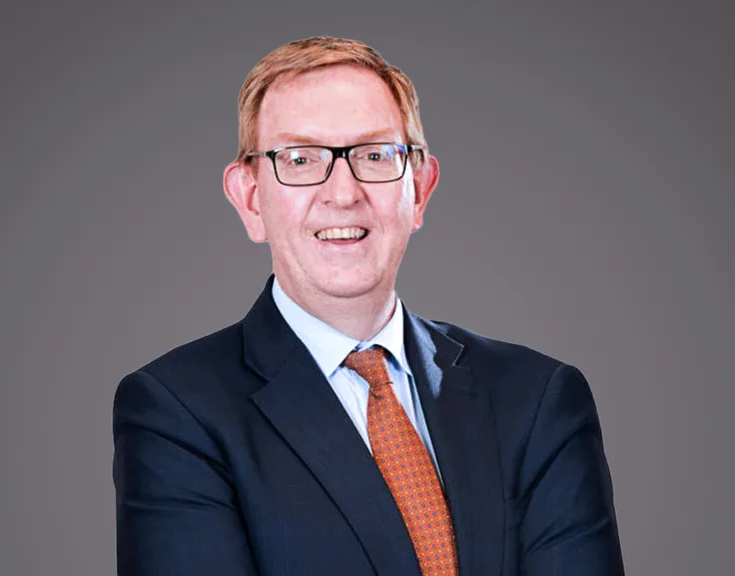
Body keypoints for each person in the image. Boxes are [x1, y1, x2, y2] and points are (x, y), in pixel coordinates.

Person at [112, 36, 624, 575]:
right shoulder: (176, 412)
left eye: (375, 155)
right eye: (301, 158)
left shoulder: (539, 400)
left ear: (420, 189)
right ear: (250, 198)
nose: (343, 191)